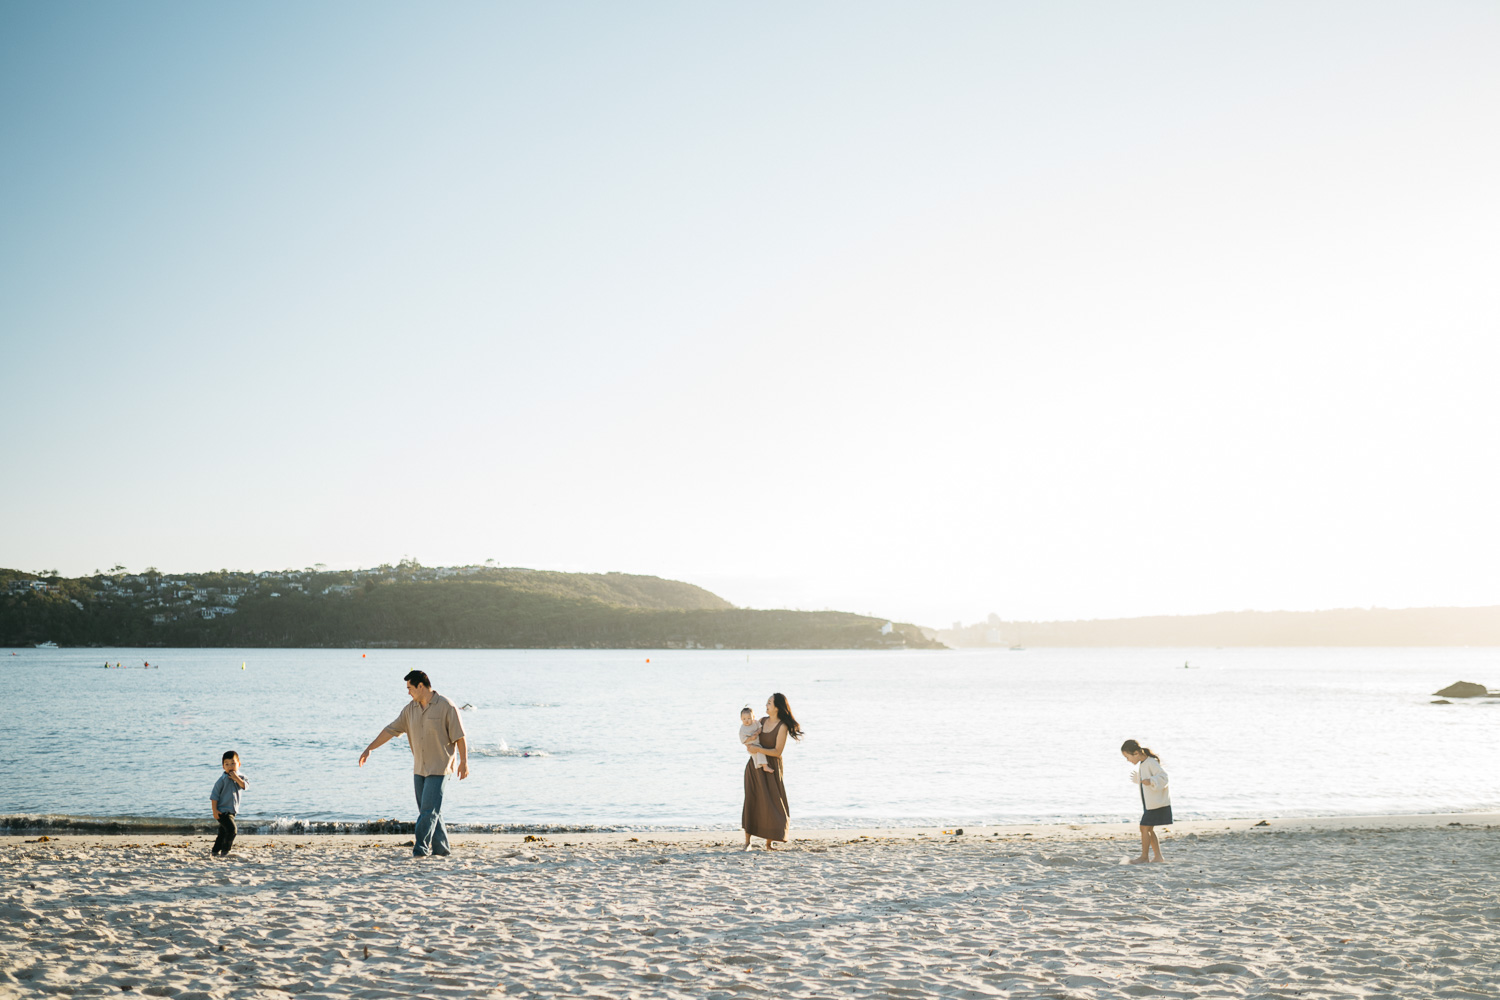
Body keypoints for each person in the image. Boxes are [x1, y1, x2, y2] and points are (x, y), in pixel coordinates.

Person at [359, 670, 469, 858]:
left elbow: (459, 736)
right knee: (431, 811)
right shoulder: (410, 709)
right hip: (419, 769)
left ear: (421, 686)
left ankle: (420, 851)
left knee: (428, 811)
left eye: (410, 688)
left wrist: (464, 762)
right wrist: (370, 748)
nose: (408, 692)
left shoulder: (446, 706)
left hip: (440, 768)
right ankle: (442, 850)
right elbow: (390, 730)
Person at [742, 692, 802, 851]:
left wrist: (758, 749)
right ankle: (748, 842)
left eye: (769, 703)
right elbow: (747, 736)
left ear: (777, 707)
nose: (766, 705)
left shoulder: (782, 726)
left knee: (773, 803)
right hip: (754, 767)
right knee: (752, 801)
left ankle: (769, 843)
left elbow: (777, 752)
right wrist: (750, 746)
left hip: (772, 769)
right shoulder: (760, 721)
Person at [1121, 739, 1171, 863]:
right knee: (1148, 829)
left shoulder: (1151, 762)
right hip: (1150, 804)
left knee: (1144, 828)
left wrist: (1151, 781)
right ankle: (1158, 857)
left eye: (1127, 757)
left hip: (1156, 804)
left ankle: (1144, 857)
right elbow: (1149, 779)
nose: (1127, 760)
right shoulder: (1144, 763)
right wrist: (1141, 780)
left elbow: (1164, 778)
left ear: (1136, 753)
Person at [210, 750, 248, 857]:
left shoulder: (241, 777)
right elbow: (214, 796)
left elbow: (245, 786)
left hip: (232, 811)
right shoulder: (221, 780)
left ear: (239, 764)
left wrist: (236, 778)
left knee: (222, 832)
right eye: (227, 764)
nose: (230, 766)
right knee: (232, 830)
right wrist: (214, 811)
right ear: (223, 767)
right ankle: (226, 851)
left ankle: (215, 851)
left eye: (233, 763)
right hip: (221, 811)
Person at [739, 706, 772, 773]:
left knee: (759, 753)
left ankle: (761, 767)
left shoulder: (755, 723)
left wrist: (757, 732)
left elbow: (760, 728)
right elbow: (742, 739)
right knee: (756, 754)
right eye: (744, 719)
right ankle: (764, 766)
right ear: (741, 719)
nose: (747, 721)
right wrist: (750, 738)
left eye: (749, 718)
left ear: (753, 717)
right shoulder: (742, 729)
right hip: (750, 744)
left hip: (757, 743)